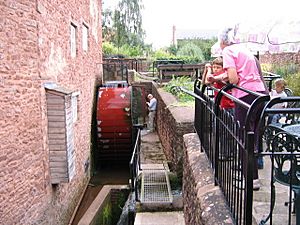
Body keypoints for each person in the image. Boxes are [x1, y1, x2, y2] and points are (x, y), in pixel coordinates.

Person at [206, 26, 268, 190]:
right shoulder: (243, 49)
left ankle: (251, 180)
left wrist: (221, 80)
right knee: (253, 138)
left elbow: (233, 78)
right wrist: (217, 77)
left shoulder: (227, 52)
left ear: (222, 41)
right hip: (260, 95)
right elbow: (236, 73)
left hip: (245, 98)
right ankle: (253, 178)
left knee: (243, 138)